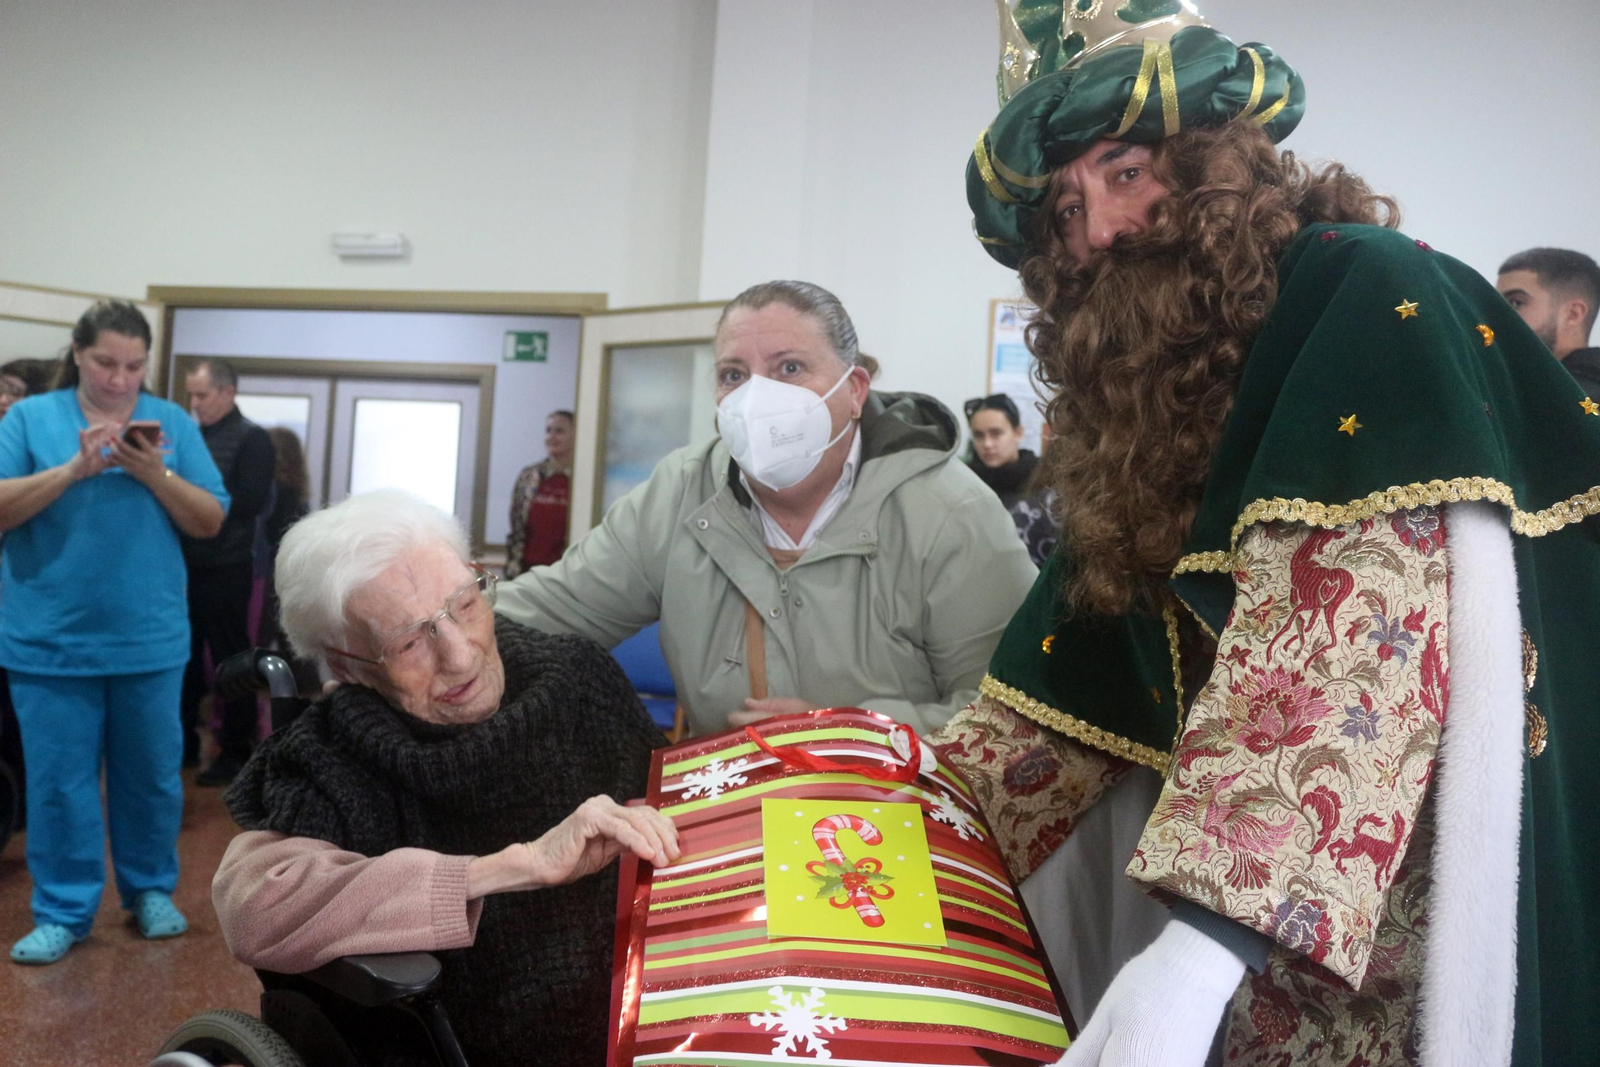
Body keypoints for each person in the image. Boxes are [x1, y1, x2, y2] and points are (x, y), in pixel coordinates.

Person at [937, 4, 1600, 1065]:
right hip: (1257, 921)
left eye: (1120, 171)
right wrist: (881, 798)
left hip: (1396, 900)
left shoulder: (1362, 282)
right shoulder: (1160, 404)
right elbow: (1061, 681)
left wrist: (1200, 946)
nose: (1100, 230)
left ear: (1216, 156)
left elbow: (1357, 627)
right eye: (1062, 210)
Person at [212, 489, 676, 1067]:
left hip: (662, 1011)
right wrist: (509, 868)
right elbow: (256, 906)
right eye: (409, 641)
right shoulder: (331, 756)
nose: (459, 656)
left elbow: (675, 803)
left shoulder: (577, 679)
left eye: (465, 605)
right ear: (348, 664)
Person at [496, 280, 1036, 735]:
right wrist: (435, 622)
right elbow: (556, 609)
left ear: (854, 390)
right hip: (732, 820)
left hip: (904, 826)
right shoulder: (681, 493)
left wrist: (854, 732)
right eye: (734, 374)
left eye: (790, 368)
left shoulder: (949, 513)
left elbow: (1013, 724)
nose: (758, 399)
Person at [0, 300, 228, 965]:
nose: (120, 380)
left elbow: (210, 519)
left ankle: (150, 891)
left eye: (133, 366)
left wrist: (154, 473)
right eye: (106, 363)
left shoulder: (174, 423)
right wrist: (74, 470)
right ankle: (64, 909)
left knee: (153, 776)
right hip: (48, 640)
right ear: (77, 353)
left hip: (148, 639)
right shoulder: (32, 419)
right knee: (58, 782)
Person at [181, 357, 276, 786]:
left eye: (202, 395)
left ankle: (236, 750)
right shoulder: (189, 434)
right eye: (191, 395)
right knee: (181, 659)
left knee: (229, 660)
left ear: (227, 392)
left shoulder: (252, 439)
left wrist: (194, 500)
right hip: (182, 564)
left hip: (226, 566)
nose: (194, 403)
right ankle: (180, 742)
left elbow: (251, 501)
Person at [965, 392, 1059, 565]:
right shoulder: (966, 483)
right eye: (979, 435)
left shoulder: (1044, 477)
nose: (987, 444)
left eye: (996, 433)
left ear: (1017, 433)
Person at [1496, 247, 1600, 397]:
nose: (1496, 314)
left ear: (1572, 314)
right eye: (1495, 303)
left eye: (1515, 303)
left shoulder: (1562, 401)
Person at [259, 427, 315, 685]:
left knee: (263, 638)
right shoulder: (298, 495)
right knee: (292, 644)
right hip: (293, 576)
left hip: (272, 575)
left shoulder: (276, 494)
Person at [503, 409, 574, 578]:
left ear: (576, 435)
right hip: (527, 572)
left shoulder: (582, 480)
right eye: (548, 431)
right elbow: (516, 527)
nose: (552, 437)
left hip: (565, 575)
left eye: (559, 431)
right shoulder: (529, 477)